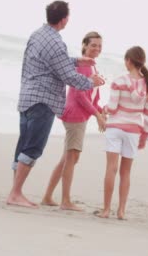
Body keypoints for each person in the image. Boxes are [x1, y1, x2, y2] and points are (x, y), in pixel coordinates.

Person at [6, 0, 105, 208]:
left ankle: (15, 191)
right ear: (64, 19)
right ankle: (15, 193)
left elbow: (52, 63)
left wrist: (78, 61)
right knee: (33, 148)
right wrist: (90, 82)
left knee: (23, 145)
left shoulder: (37, 35)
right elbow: (68, 76)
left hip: (27, 96)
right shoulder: (56, 41)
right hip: (44, 100)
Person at [41, 31, 106, 211]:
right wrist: (97, 115)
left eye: (100, 46)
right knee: (72, 157)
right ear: (84, 45)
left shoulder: (92, 67)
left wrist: (101, 111)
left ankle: (47, 196)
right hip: (75, 114)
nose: (97, 49)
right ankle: (66, 201)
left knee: (68, 158)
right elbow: (79, 96)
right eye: (93, 45)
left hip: (80, 114)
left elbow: (92, 97)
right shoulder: (82, 66)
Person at [96, 46, 148, 220]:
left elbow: (112, 108)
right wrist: (144, 136)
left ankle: (106, 210)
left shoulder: (119, 80)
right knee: (125, 172)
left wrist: (103, 110)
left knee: (111, 169)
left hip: (115, 128)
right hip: (134, 131)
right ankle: (121, 211)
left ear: (128, 61)